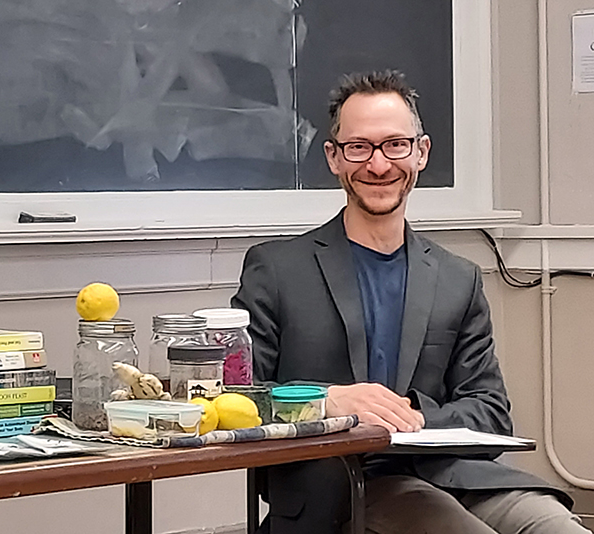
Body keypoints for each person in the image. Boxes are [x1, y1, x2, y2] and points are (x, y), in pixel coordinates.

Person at [231, 70, 589, 534]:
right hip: (342, 489)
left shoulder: (457, 278)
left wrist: (412, 414)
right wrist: (326, 400)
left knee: (559, 529)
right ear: (333, 158)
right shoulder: (276, 269)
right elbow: (233, 399)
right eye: (359, 147)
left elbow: (491, 412)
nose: (378, 165)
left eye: (395, 145)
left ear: (421, 152)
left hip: (461, 477)